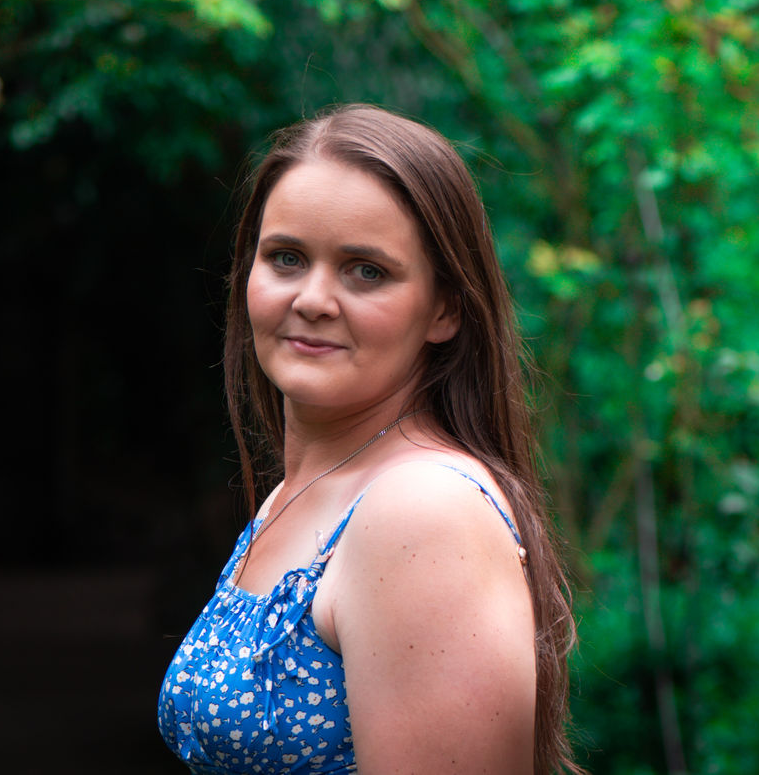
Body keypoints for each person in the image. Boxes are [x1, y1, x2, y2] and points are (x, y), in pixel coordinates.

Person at [157, 105, 581, 774]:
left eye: (366, 271)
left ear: (444, 308)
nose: (314, 299)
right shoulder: (304, 493)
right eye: (286, 258)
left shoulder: (421, 512)